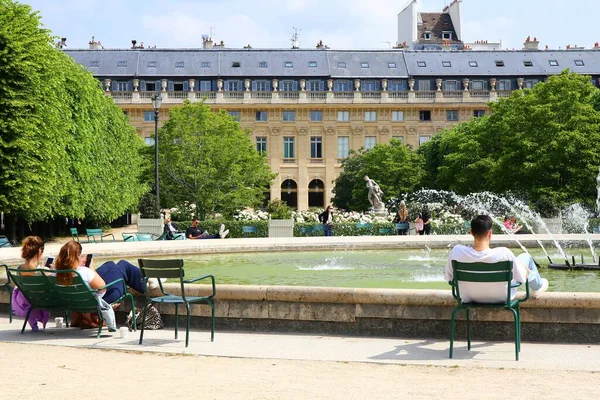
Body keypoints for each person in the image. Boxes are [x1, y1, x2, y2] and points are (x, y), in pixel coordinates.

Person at [54, 241, 161, 328]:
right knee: (123, 265)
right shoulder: (84, 271)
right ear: (77, 256)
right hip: (100, 301)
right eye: (80, 255)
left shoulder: (57, 274)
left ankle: (144, 279)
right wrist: (90, 269)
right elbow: (102, 288)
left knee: (109, 264)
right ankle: (146, 281)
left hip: (80, 303)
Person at [445, 215, 549, 303]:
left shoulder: (457, 251)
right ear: (490, 233)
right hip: (501, 297)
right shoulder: (504, 253)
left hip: (467, 297)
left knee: (521, 263)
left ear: (471, 232)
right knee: (526, 257)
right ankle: (538, 287)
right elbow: (521, 278)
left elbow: (449, 278)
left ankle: (536, 283)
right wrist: (526, 272)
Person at [10, 236, 51, 331]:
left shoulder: (19, 269)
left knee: (26, 294)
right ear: (40, 251)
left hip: (24, 300)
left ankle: (33, 323)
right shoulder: (43, 270)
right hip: (41, 300)